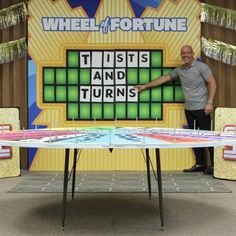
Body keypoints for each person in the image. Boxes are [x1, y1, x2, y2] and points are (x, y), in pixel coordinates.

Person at [135, 45, 217, 174]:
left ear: (192, 53)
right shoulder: (179, 70)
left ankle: (214, 166)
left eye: (187, 53)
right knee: (195, 137)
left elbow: (213, 83)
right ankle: (200, 164)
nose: (185, 55)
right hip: (189, 109)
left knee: (208, 136)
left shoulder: (202, 67)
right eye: (183, 53)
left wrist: (210, 102)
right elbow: (164, 78)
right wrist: (145, 86)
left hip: (202, 108)